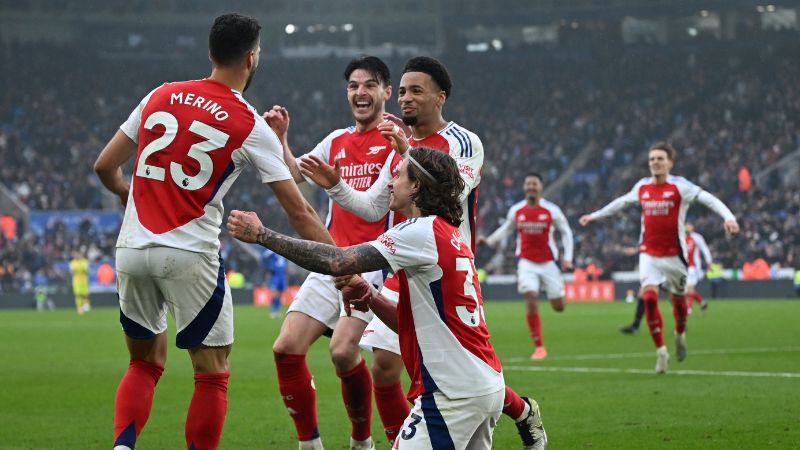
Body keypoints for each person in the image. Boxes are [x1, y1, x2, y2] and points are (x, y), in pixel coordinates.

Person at [93, 14, 334, 450]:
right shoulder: (247, 122)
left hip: (132, 248)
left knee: (144, 364)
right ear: (251, 58)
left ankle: (122, 446)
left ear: (210, 52)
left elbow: (104, 166)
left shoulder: (159, 95)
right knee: (212, 372)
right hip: (188, 253)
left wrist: (140, 199)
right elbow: (299, 211)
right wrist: (346, 263)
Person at [300, 57, 547, 449]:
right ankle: (413, 438)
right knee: (387, 367)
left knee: (455, 367)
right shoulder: (399, 148)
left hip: (446, 271)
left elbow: (450, 191)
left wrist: (405, 153)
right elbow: (372, 207)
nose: (405, 99)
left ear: (440, 96)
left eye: (416, 90)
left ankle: (518, 410)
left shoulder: (462, 141)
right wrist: (334, 185)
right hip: (405, 262)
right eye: (401, 92)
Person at [228, 147, 547, 450]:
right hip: (486, 385)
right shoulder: (447, 233)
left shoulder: (420, 232)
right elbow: (411, 325)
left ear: (417, 186)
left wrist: (262, 235)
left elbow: (336, 261)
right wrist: (372, 296)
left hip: (452, 395)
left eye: (399, 176)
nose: (391, 183)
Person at [261, 55, 403, 450]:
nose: (361, 92)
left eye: (370, 84)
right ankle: (310, 445)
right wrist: (282, 140)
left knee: (343, 352)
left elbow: (377, 206)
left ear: (386, 92)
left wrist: (337, 184)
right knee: (286, 349)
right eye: (354, 85)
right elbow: (295, 173)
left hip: (372, 265)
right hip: (330, 260)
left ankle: (362, 441)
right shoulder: (336, 139)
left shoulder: (396, 139)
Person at [579, 142, 739, 373]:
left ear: (670, 163)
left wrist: (729, 217)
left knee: (679, 306)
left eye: (660, 158)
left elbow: (709, 199)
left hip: (675, 257)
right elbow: (620, 203)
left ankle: (680, 334)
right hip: (649, 254)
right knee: (650, 298)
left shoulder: (680, 187)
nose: (655, 162)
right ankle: (661, 351)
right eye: (652, 159)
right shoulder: (642, 187)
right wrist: (594, 216)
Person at [477, 172, 574, 360]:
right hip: (526, 262)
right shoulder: (516, 210)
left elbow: (566, 232)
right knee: (530, 297)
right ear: (524, 187)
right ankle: (539, 346)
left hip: (548, 263)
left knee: (559, 306)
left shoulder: (551, 210)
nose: (531, 187)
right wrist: (488, 241)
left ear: (541, 187)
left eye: (534, 184)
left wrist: (568, 258)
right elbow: (506, 229)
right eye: (528, 184)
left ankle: (557, 292)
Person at [684, 222, 712, 315]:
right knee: (686, 289)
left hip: (694, 267)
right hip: (683, 267)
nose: (687, 227)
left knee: (690, 287)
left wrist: (709, 262)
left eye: (689, 225)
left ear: (692, 227)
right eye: (686, 225)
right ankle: (702, 303)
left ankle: (689, 309)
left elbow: (705, 249)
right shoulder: (680, 237)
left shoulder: (697, 237)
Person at [260, 249, 287, 319]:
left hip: (283, 275)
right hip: (276, 275)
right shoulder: (272, 250)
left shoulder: (284, 251)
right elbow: (264, 256)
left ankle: (277, 312)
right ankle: (273, 311)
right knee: (275, 293)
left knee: (280, 294)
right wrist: (268, 268)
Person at [69, 250, 91, 315]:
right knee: (78, 295)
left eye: (78, 254)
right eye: (75, 254)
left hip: (84, 281)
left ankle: (85, 306)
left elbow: (86, 270)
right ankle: (79, 308)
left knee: (85, 295)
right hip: (76, 281)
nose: (77, 256)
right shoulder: (72, 262)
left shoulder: (85, 261)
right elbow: (72, 270)